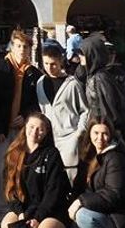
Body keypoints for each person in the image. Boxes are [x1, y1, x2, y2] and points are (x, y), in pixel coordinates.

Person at [0, 113, 71, 228]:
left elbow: (54, 192)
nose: (35, 131)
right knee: (7, 225)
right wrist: (20, 214)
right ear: (25, 128)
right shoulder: (14, 152)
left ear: (46, 132)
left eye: (41, 129)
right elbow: (9, 190)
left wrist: (38, 217)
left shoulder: (51, 154)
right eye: (32, 127)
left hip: (51, 210)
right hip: (26, 209)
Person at [0, 29, 41, 207]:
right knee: (2, 171)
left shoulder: (33, 73)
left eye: (25, 46)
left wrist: (25, 117)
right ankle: (1, 211)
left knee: (22, 169)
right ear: (12, 47)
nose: (22, 50)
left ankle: (19, 207)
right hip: (1, 130)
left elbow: (36, 102)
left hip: (23, 131)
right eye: (18, 46)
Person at [36, 41, 87, 180]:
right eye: (46, 64)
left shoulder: (72, 84)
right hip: (47, 138)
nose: (49, 68)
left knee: (70, 178)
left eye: (53, 64)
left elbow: (84, 110)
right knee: (50, 178)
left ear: (60, 62)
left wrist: (79, 133)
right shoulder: (40, 82)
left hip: (69, 137)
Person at [79, 35, 125, 150]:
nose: (79, 56)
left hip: (106, 133)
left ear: (92, 54)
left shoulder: (99, 78)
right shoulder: (95, 75)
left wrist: (104, 131)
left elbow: (108, 109)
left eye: (82, 53)